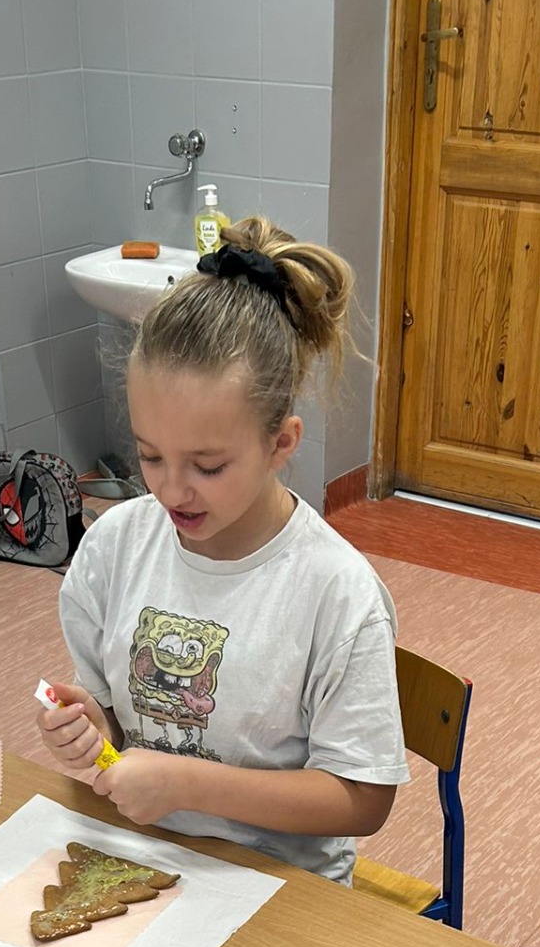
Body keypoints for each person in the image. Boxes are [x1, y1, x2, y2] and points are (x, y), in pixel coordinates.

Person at [36, 218, 409, 884]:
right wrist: (92, 729)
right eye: (150, 455)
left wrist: (189, 785)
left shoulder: (334, 591)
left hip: (276, 884)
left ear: (281, 443)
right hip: (142, 853)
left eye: (207, 466)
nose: (171, 489)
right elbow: (114, 722)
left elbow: (363, 798)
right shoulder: (116, 547)